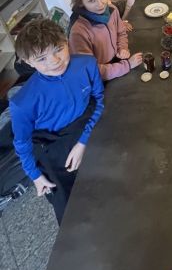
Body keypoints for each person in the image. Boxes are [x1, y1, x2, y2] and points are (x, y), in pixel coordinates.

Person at [9, 19, 104, 224]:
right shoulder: (21, 103)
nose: (54, 61)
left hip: (87, 126)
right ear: (28, 62)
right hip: (53, 144)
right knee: (70, 208)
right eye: (41, 58)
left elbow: (99, 100)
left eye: (58, 49)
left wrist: (83, 142)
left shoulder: (87, 64)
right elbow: (22, 143)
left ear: (66, 42)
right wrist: (35, 176)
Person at [69, 0, 143, 80]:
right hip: (102, 78)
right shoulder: (78, 31)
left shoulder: (112, 10)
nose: (100, 4)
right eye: (91, 0)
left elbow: (121, 33)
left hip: (117, 64)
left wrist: (122, 48)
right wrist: (127, 65)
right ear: (81, 2)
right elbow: (91, 70)